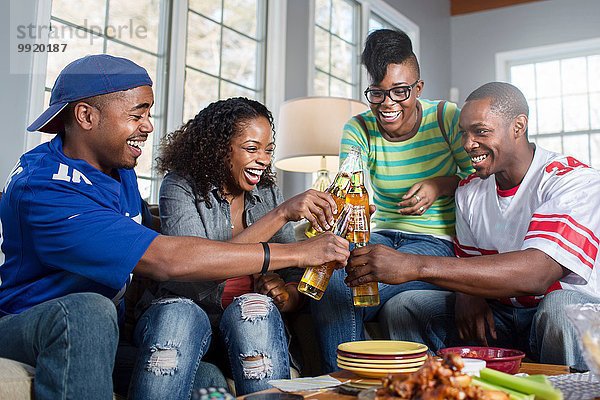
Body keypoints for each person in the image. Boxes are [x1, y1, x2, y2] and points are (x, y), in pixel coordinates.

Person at [0, 54, 350, 400]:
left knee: (207, 380)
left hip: (109, 333)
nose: (149, 126)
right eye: (137, 114)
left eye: (148, 114)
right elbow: (167, 259)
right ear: (86, 115)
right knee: (88, 310)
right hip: (34, 323)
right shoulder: (45, 186)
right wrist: (298, 250)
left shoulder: (118, 171)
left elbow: (145, 244)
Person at [345, 82, 600, 371]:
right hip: (502, 312)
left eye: (481, 132)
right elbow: (469, 264)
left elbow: (538, 273)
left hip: (563, 311)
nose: (468, 144)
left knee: (559, 308)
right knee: (405, 306)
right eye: (464, 133)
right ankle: (439, 388)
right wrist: (469, 292)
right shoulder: (468, 192)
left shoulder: (571, 180)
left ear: (518, 126)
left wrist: (413, 265)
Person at [311, 28, 474, 373]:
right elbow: (349, 179)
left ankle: (347, 379)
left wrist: (439, 184)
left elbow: (478, 181)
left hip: (434, 243)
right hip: (381, 235)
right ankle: (343, 383)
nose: (389, 104)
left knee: (357, 277)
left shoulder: (446, 117)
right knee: (339, 275)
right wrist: (351, 205)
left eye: (401, 92)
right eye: (378, 94)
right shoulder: (359, 128)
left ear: (419, 88)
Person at [151, 97, 338, 395]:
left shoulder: (266, 194)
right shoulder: (179, 187)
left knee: (254, 306)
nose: (264, 159)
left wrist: (285, 296)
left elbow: (293, 275)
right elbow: (195, 271)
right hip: (190, 317)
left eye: (268, 150)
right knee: (182, 318)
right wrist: (281, 214)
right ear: (218, 149)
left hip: (248, 328)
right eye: (252, 149)